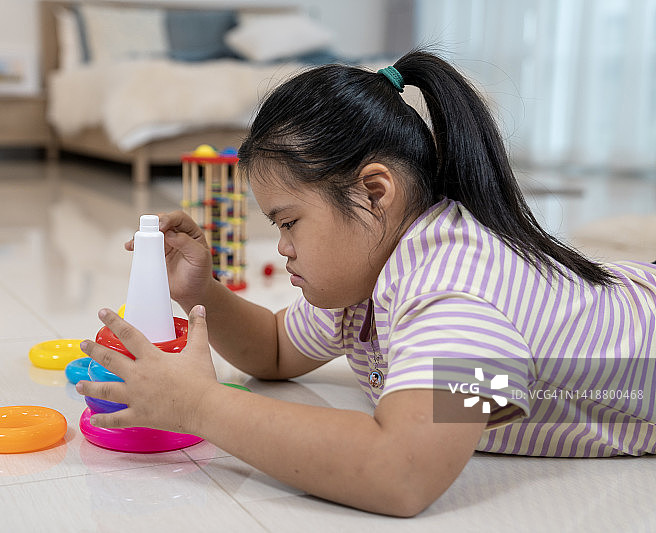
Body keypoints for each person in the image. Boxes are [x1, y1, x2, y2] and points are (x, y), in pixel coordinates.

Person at [75, 49, 656, 517]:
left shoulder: (456, 293)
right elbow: (276, 349)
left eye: (289, 221)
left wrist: (196, 405)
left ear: (374, 193)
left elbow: (400, 473)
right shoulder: (369, 270)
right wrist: (204, 292)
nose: (281, 246)